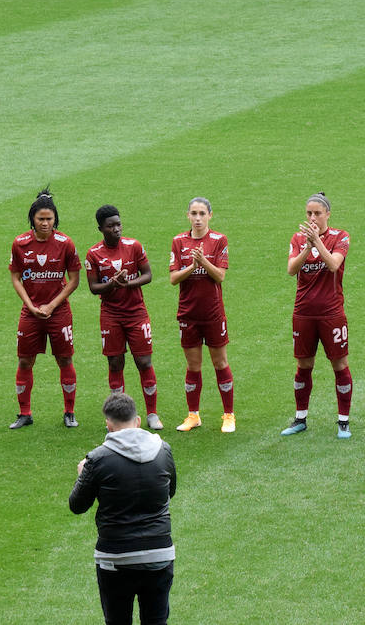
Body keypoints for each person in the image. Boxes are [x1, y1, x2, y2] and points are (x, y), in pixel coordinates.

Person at [70, 392, 176, 625]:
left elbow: (77, 506)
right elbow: (170, 491)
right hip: (159, 553)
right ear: (137, 421)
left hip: (115, 557)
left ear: (108, 425)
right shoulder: (163, 450)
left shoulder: (97, 459)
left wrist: (82, 476)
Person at [282, 192, 354, 439]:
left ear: (328, 214)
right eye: (309, 213)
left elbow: (334, 264)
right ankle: (300, 418)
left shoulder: (340, 236)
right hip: (303, 313)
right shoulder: (298, 238)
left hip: (331, 313)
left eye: (317, 213)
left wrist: (317, 243)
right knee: (303, 365)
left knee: (339, 364)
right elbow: (292, 270)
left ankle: (343, 421)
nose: (312, 218)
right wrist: (307, 248)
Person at [9, 189, 82, 429]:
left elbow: (73, 280)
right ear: (33, 219)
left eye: (49, 219)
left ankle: (69, 412)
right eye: (41, 219)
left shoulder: (65, 243)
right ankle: (24, 413)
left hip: (58, 313)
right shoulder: (20, 244)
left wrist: (51, 305)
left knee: (64, 359)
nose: (45, 223)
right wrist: (30, 306)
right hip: (30, 313)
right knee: (25, 361)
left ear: (55, 220)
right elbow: (16, 278)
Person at [86, 205, 162, 431]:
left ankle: (152, 414)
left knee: (144, 362)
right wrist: (112, 284)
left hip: (136, 312)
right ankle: (119, 419)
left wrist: (127, 283)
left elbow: (147, 275)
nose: (116, 229)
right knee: (115, 362)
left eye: (118, 224)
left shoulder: (134, 246)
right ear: (101, 228)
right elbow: (93, 287)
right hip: (111, 315)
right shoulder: (93, 254)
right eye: (111, 226)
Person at [169, 197, 234, 433]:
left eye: (202, 213)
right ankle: (193, 415)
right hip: (188, 313)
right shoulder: (179, 241)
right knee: (193, 366)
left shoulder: (219, 240)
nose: (198, 218)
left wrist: (203, 261)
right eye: (194, 213)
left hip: (213, 314)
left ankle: (228, 415)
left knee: (220, 362)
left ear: (210, 215)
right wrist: (191, 267)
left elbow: (220, 276)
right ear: (188, 215)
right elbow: (173, 278)